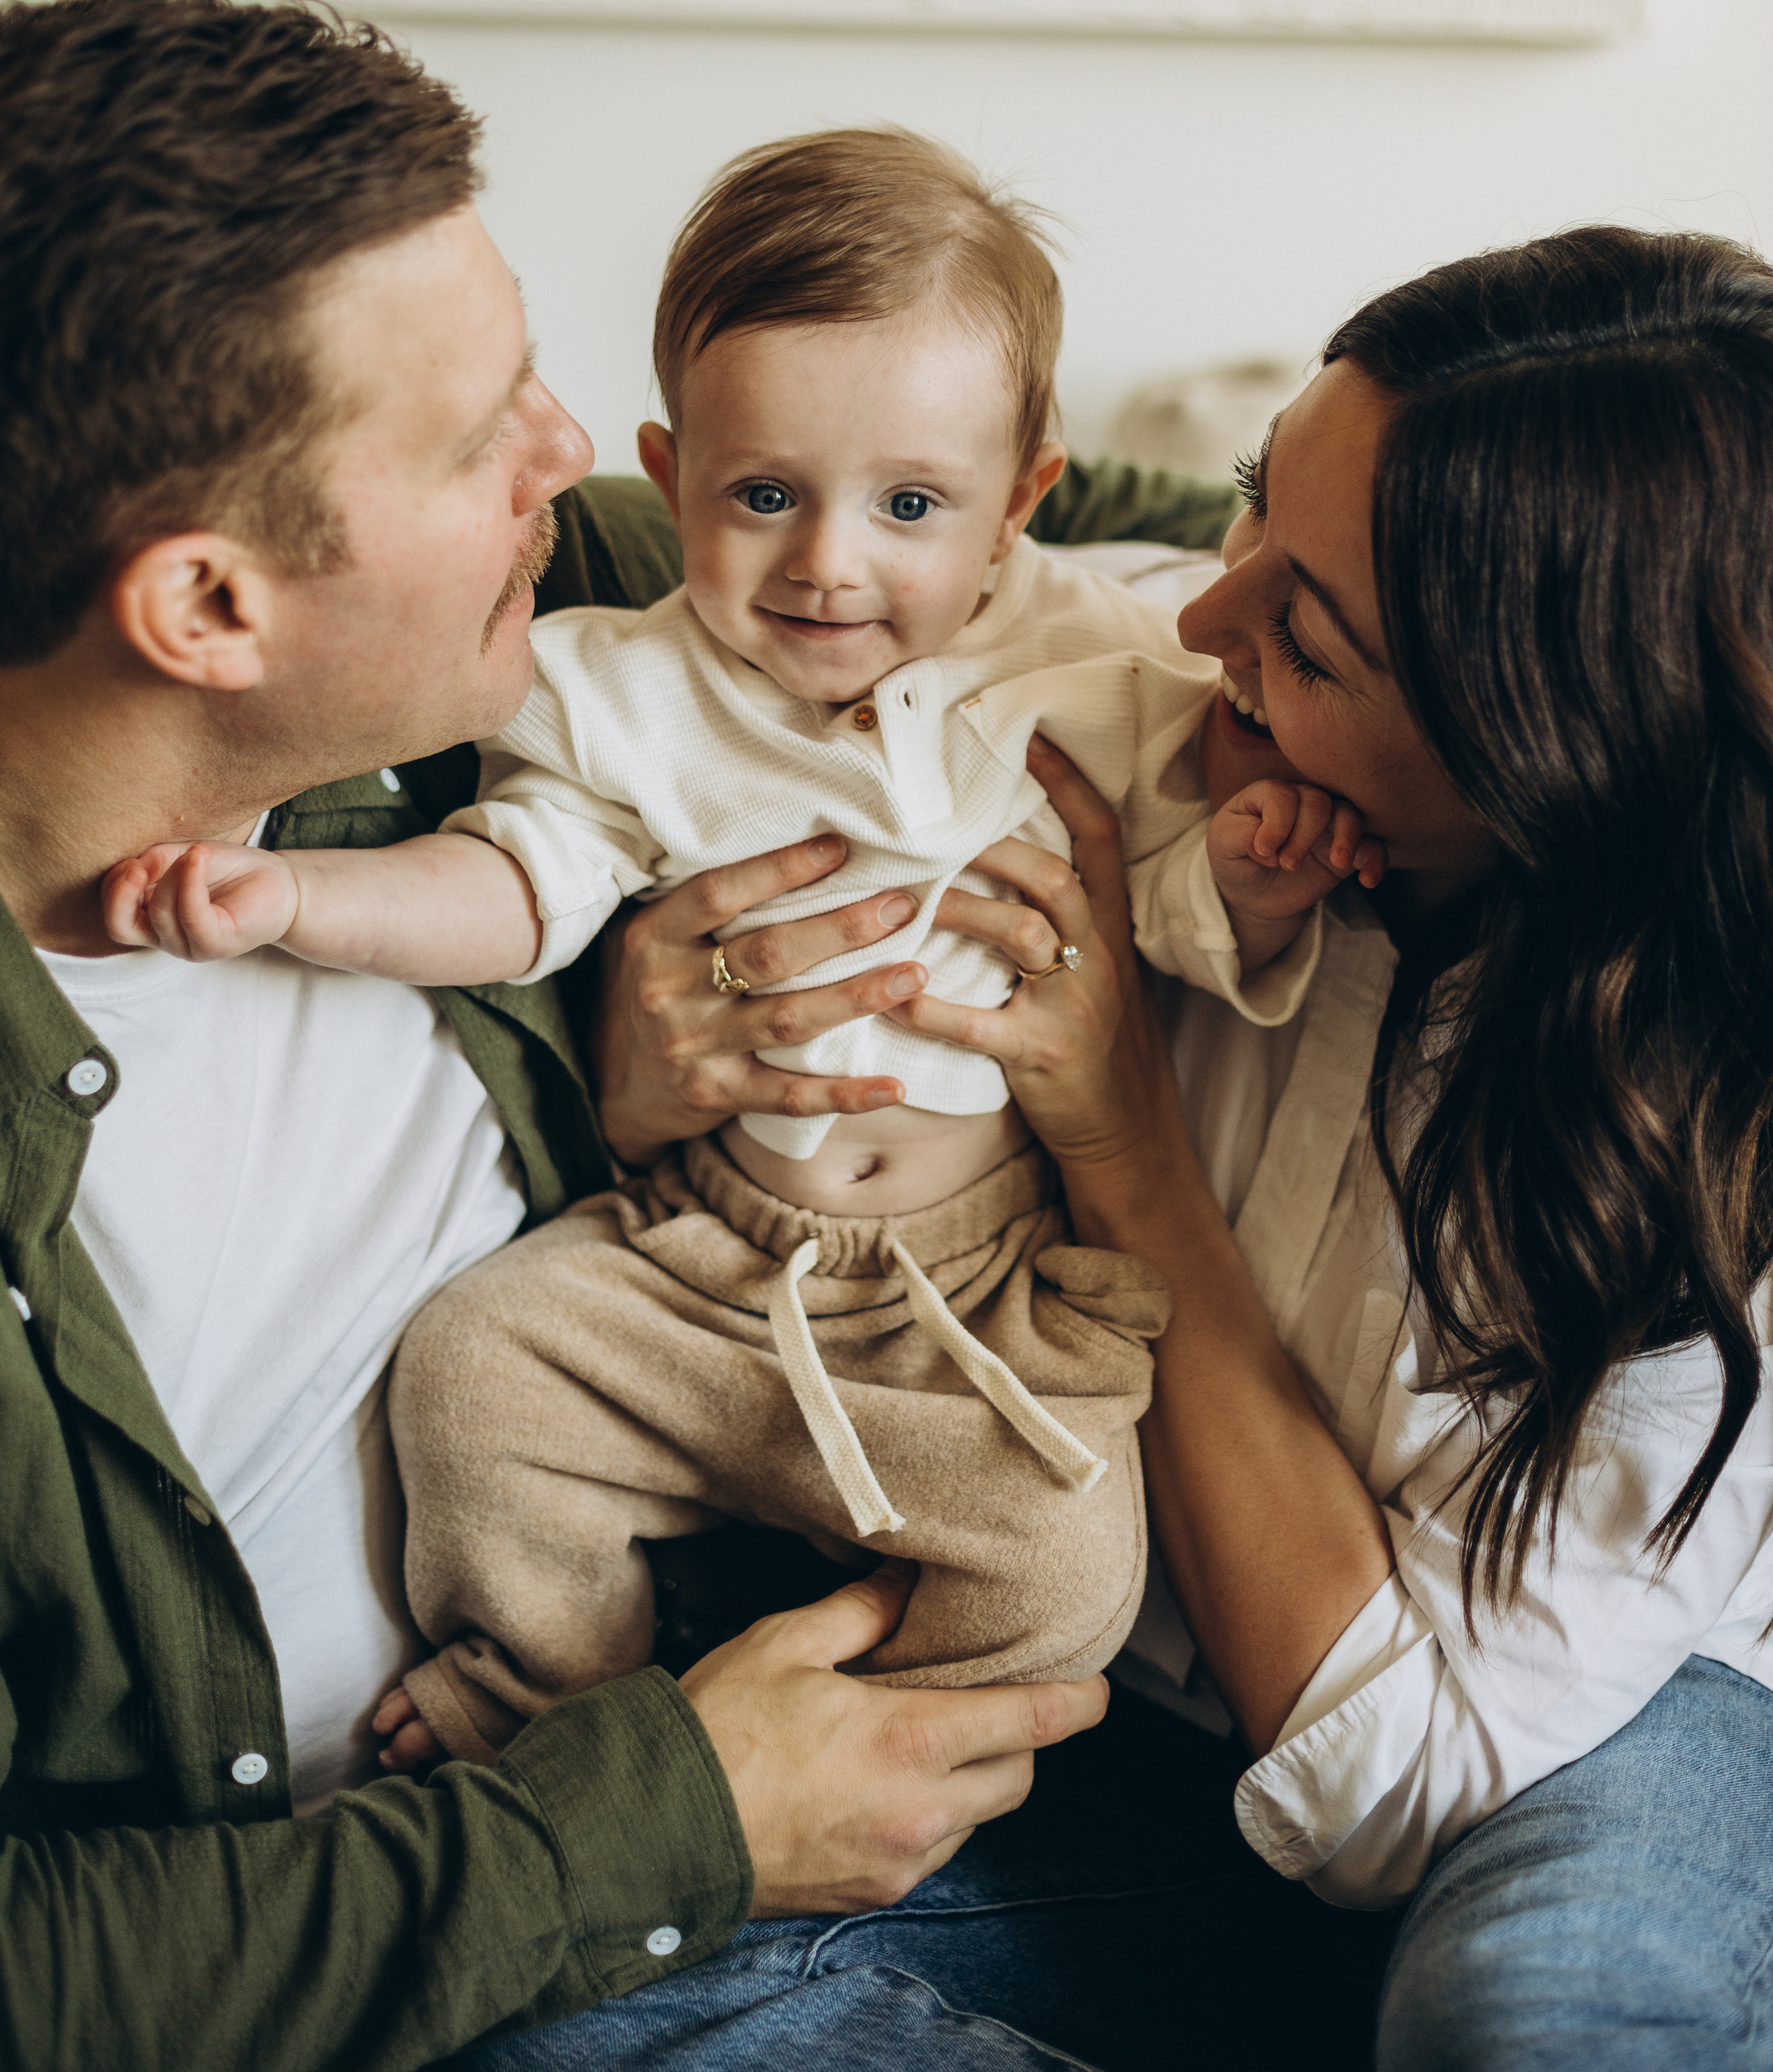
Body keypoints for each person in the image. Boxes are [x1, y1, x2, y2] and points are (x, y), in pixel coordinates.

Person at [3, 0, 1247, 2072]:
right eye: (487, 427)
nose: (574, 462)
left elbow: (1043, 500)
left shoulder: (427, 637)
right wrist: (653, 1819)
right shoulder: (522, 662)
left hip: (841, 1620)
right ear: (208, 611)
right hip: (468, 1918)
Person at [528, 221, 1773, 2072]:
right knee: (531, 1992)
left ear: (1545, 751)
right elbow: (743, 541)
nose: (1203, 615)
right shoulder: (1114, 671)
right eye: (1253, 505)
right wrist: (641, 1043)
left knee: (1540, 2024)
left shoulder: (1695, 1104)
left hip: (1575, 1724)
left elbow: (1396, 1783)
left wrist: (1125, 1144)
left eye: (1313, 633)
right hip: (1130, 1724)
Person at [104, 128, 1377, 1758]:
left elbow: (1164, 910)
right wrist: (296, 905)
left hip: (972, 1285)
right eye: (762, 494)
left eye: (910, 503)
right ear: (668, 463)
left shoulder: (1102, 657)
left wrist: (1253, 882)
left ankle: (884, 1746)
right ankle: (552, 1688)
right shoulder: (623, 683)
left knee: (1066, 1564)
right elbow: (514, 887)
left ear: (1020, 502)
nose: (827, 563)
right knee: (476, 1378)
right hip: (692, 1253)